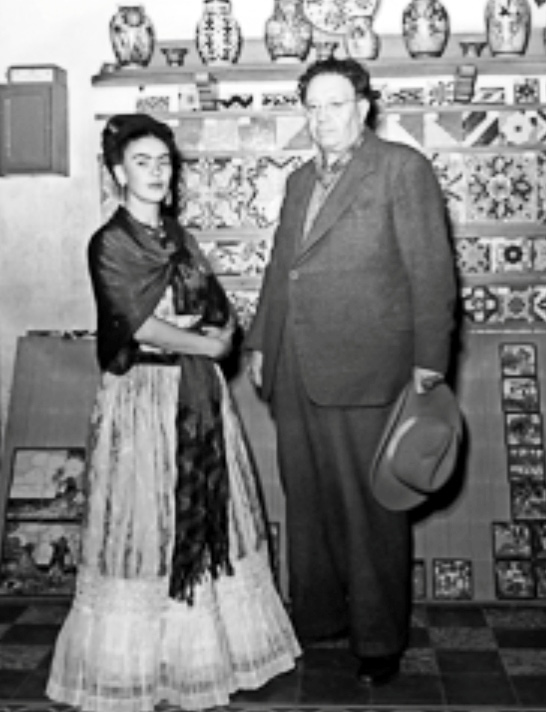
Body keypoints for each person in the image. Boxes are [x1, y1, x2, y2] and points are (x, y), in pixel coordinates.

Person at [46, 113, 300, 712]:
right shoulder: (110, 243)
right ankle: (136, 664)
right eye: (142, 162)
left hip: (195, 393)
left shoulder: (178, 236)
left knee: (207, 516)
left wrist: (225, 329)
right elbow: (139, 324)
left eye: (164, 162)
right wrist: (208, 346)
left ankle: (205, 655)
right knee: (147, 524)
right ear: (118, 173)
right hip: (143, 397)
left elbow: (212, 302)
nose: (156, 172)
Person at [245, 57, 457, 686]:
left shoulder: (401, 168)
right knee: (307, 504)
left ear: (363, 107)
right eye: (312, 106)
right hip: (295, 367)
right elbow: (282, 269)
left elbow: (432, 271)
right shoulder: (298, 181)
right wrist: (261, 344)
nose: (322, 118)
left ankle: (378, 639)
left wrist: (430, 362)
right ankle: (319, 622)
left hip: (369, 371)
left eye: (335, 104)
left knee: (372, 512)